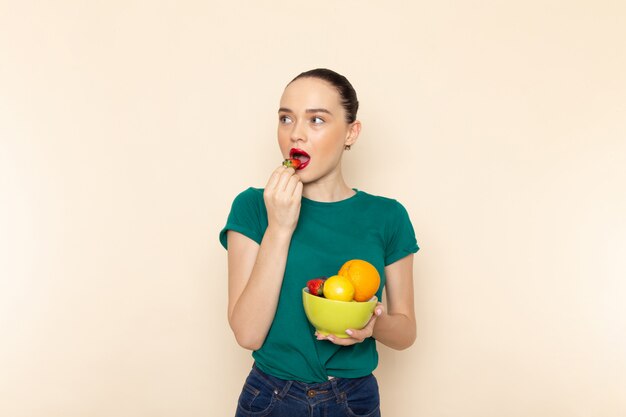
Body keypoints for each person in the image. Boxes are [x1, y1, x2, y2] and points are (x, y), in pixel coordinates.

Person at [219, 68, 419, 417]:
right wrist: (279, 228)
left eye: (316, 120)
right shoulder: (253, 206)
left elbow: (405, 332)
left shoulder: (388, 216)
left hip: (355, 399)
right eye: (286, 118)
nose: (296, 134)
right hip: (271, 396)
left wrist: (372, 325)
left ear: (351, 132)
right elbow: (247, 334)